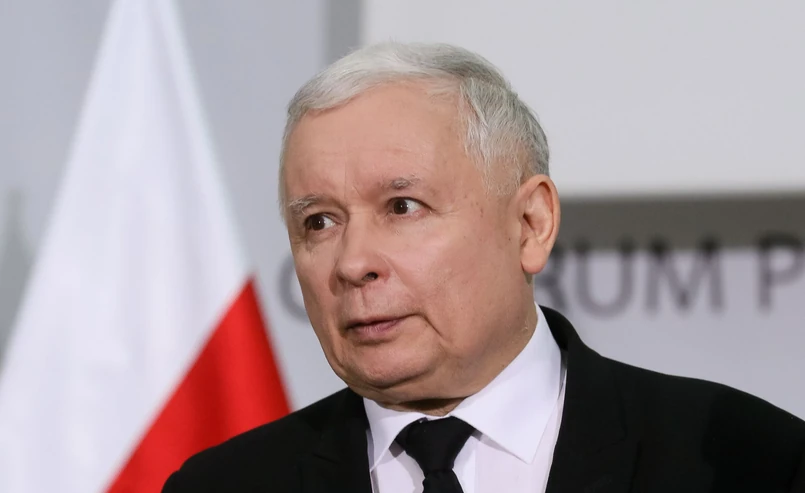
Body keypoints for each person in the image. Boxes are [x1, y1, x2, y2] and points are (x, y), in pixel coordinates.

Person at [162, 42, 805, 493]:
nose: (353, 263)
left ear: (530, 224)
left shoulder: (754, 464)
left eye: (402, 207)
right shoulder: (222, 485)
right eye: (319, 222)